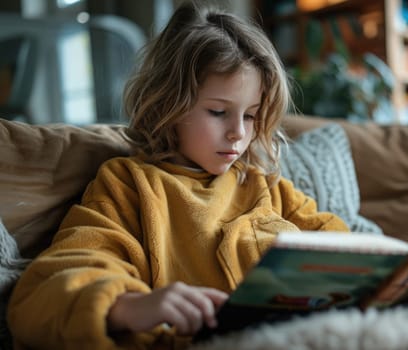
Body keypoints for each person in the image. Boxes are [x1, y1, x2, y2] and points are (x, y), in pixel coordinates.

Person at [7, 2, 350, 349]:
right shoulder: (130, 184)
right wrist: (126, 305)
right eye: (218, 112)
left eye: (250, 116)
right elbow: (54, 283)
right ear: (168, 105)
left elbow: (338, 241)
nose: (237, 133)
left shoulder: (265, 185)